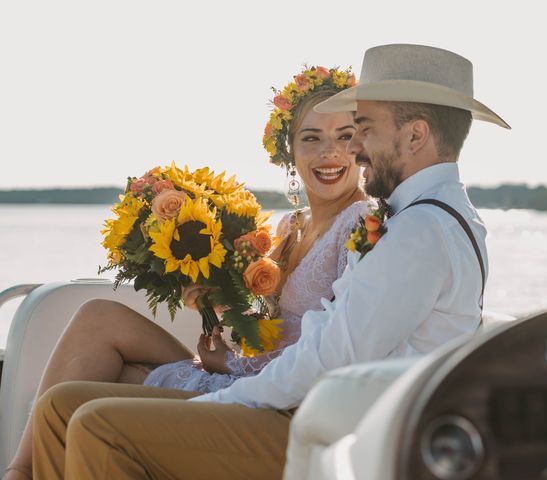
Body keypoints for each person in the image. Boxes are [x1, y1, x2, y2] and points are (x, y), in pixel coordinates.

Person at [27, 44, 510, 480]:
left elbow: (329, 363)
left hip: (336, 432)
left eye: (363, 129)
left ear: (416, 136)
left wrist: (219, 400)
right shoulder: (420, 220)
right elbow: (330, 338)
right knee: (63, 406)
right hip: (318, 410)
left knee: (96, 422)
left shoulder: (419, 232)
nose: (354, 148)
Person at [3, 66, 370, 480]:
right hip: (250, 371)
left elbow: (336, 349)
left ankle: (19, 473)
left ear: (365, 144)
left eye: (345, 136)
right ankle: (19, 470)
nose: (330, 153)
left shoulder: (362, 224)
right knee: (98, 318)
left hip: (282, 399)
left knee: (87, 396)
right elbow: (279, 323)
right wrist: (217, 300)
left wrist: (231, 365)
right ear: (288, 150)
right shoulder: (290, 226)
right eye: (311, 138)